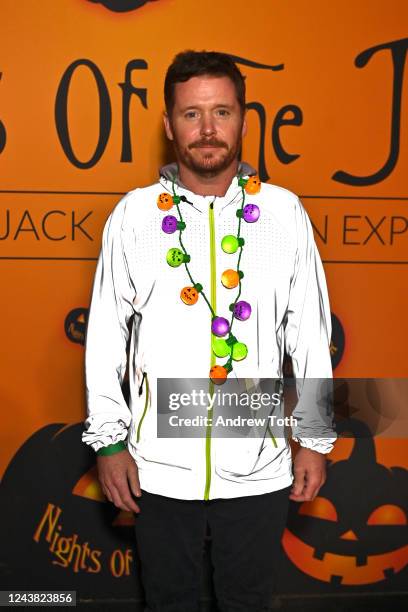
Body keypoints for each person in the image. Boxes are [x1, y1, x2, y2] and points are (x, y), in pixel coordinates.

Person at [82, 50, 336, 612]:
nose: (207, 130)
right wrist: (110, 440)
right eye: (191, 114)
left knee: (248, 601)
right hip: (156, 469)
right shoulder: (133, 215)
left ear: (244, 120)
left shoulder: (284, 212)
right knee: (167, 600)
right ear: (168, 125)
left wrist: (314, 438)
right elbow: (105, 337)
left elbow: (310, 334)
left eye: (222, 112)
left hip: (259, 465)